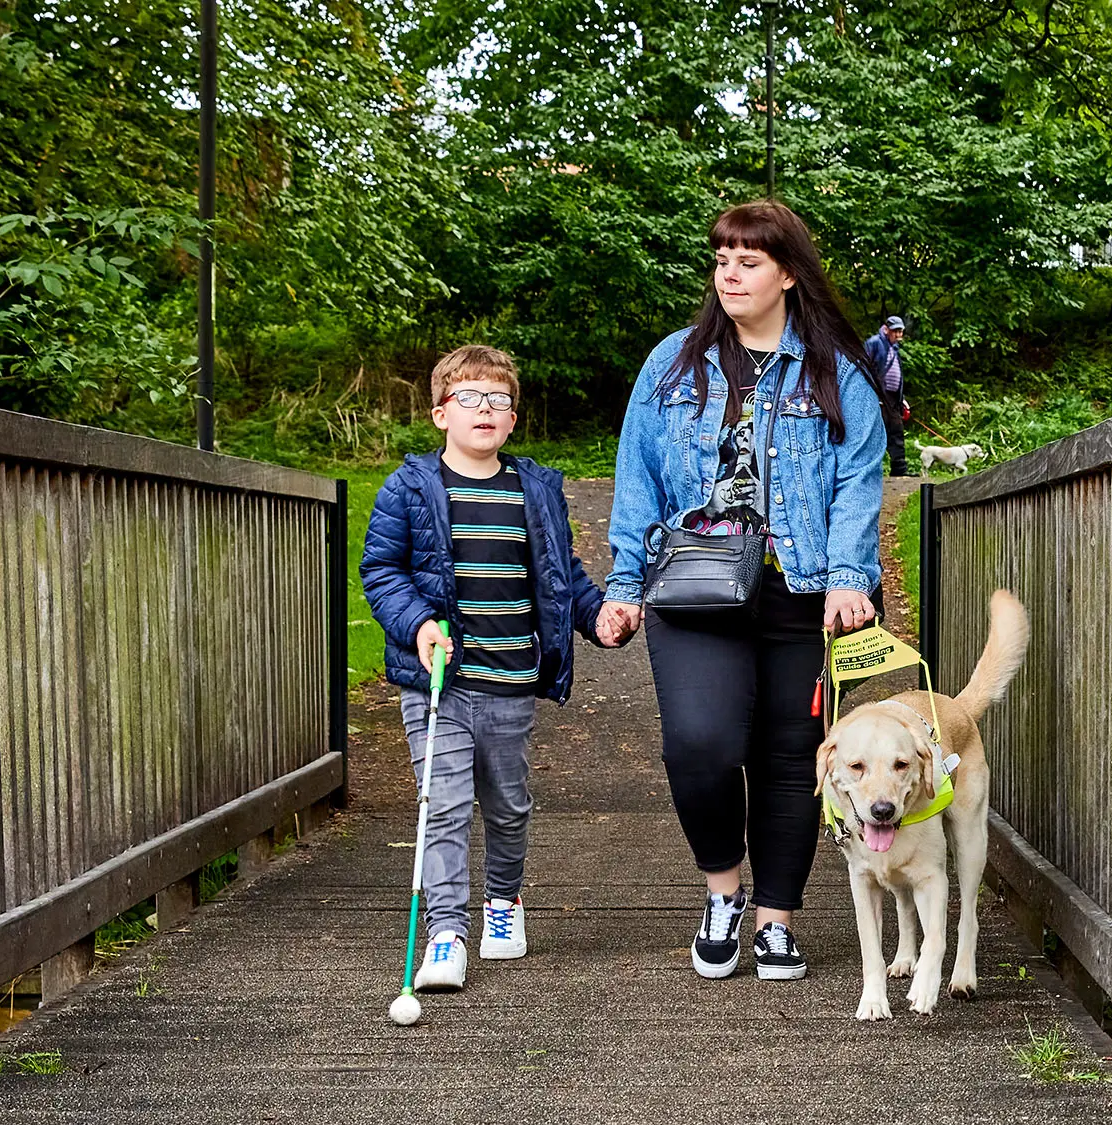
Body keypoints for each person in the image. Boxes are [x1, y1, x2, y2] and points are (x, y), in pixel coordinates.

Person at [595, 200, 885, 981]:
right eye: (721, 258)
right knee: (702, 743)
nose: (730, 273)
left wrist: (851, 578)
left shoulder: (837, 372)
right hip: (693, 586)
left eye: (749, 260)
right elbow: (638, 480)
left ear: (787, 273)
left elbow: (859, 480)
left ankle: (775, 921)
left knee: (792, 757)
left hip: (801, 590)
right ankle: (723, 890)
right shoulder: (672, 364)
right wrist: (625, 585)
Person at [361, 344, 614, 991]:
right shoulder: (411, 486)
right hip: (439, 683)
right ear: (441, 413)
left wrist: (598, 616)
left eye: (499, 400)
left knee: (506, 805)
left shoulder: (534, 489)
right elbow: (382, 570)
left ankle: (504, 901)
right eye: (469, 398)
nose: (485, 409)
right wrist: (418, 622)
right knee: (442, 806)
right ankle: (447, 929)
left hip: (511, 682)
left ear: (513, 418)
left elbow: (564, 576)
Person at [864, 316, 908, 476]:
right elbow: (864, 367)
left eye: (900, 331)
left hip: (893, 398)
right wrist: (871, 393)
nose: (898, 335)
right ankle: (870, 471)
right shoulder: (875, 343)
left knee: (896, 429)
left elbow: (896, 375)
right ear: (886, 329)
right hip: (878, 395)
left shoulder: (894, 348)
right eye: (895, 331)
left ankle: (899, 469)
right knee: (876, 431)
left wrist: (902, 398)